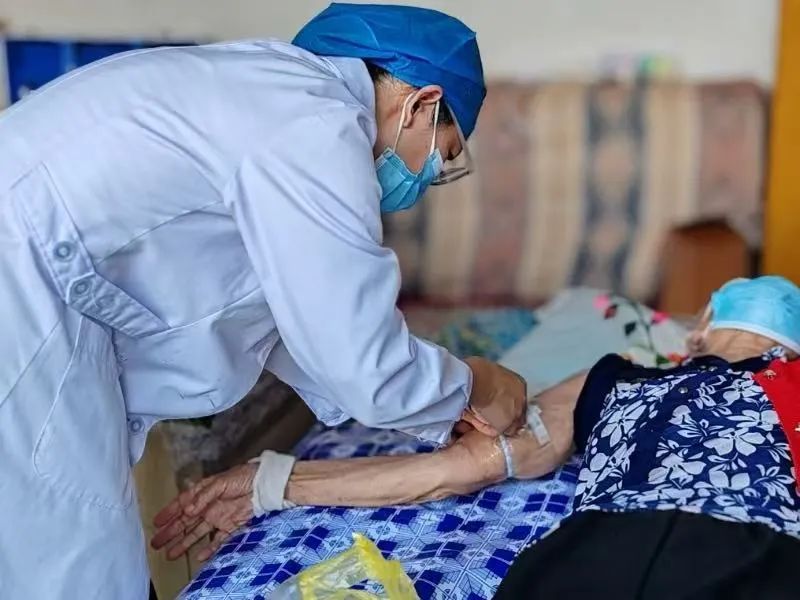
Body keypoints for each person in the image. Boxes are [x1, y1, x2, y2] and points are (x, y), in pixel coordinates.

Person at [0, 4, 527, 599]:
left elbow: (280, 317)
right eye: (442, 154)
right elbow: (359, 361)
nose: (426, 178)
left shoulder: (272, 93)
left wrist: (439, 410)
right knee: (76, 571)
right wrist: (474, 386)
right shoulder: (317, 128)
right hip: (21, 290)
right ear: (421, 105)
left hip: (31, 274)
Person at [153, 277, 800, 600]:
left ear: (696, 329)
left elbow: (460, 467)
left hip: (593, 554)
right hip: (760, 560)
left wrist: (272, 483)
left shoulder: (616, 379)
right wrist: (271, 483)